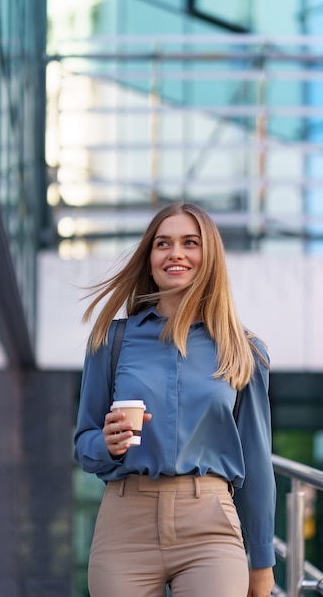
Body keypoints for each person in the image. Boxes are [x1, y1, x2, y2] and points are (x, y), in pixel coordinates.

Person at [74, 202, 276, 597]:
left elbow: (256, 460)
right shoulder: (111, 342)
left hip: (211, 526)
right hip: (124, 524)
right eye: (162, 244)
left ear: (209, 256)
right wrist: (107, 445)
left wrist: (262, 563)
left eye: (190, 243)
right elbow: (84, 443)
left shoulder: (244, 350)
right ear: (150, 259)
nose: (176, 253)